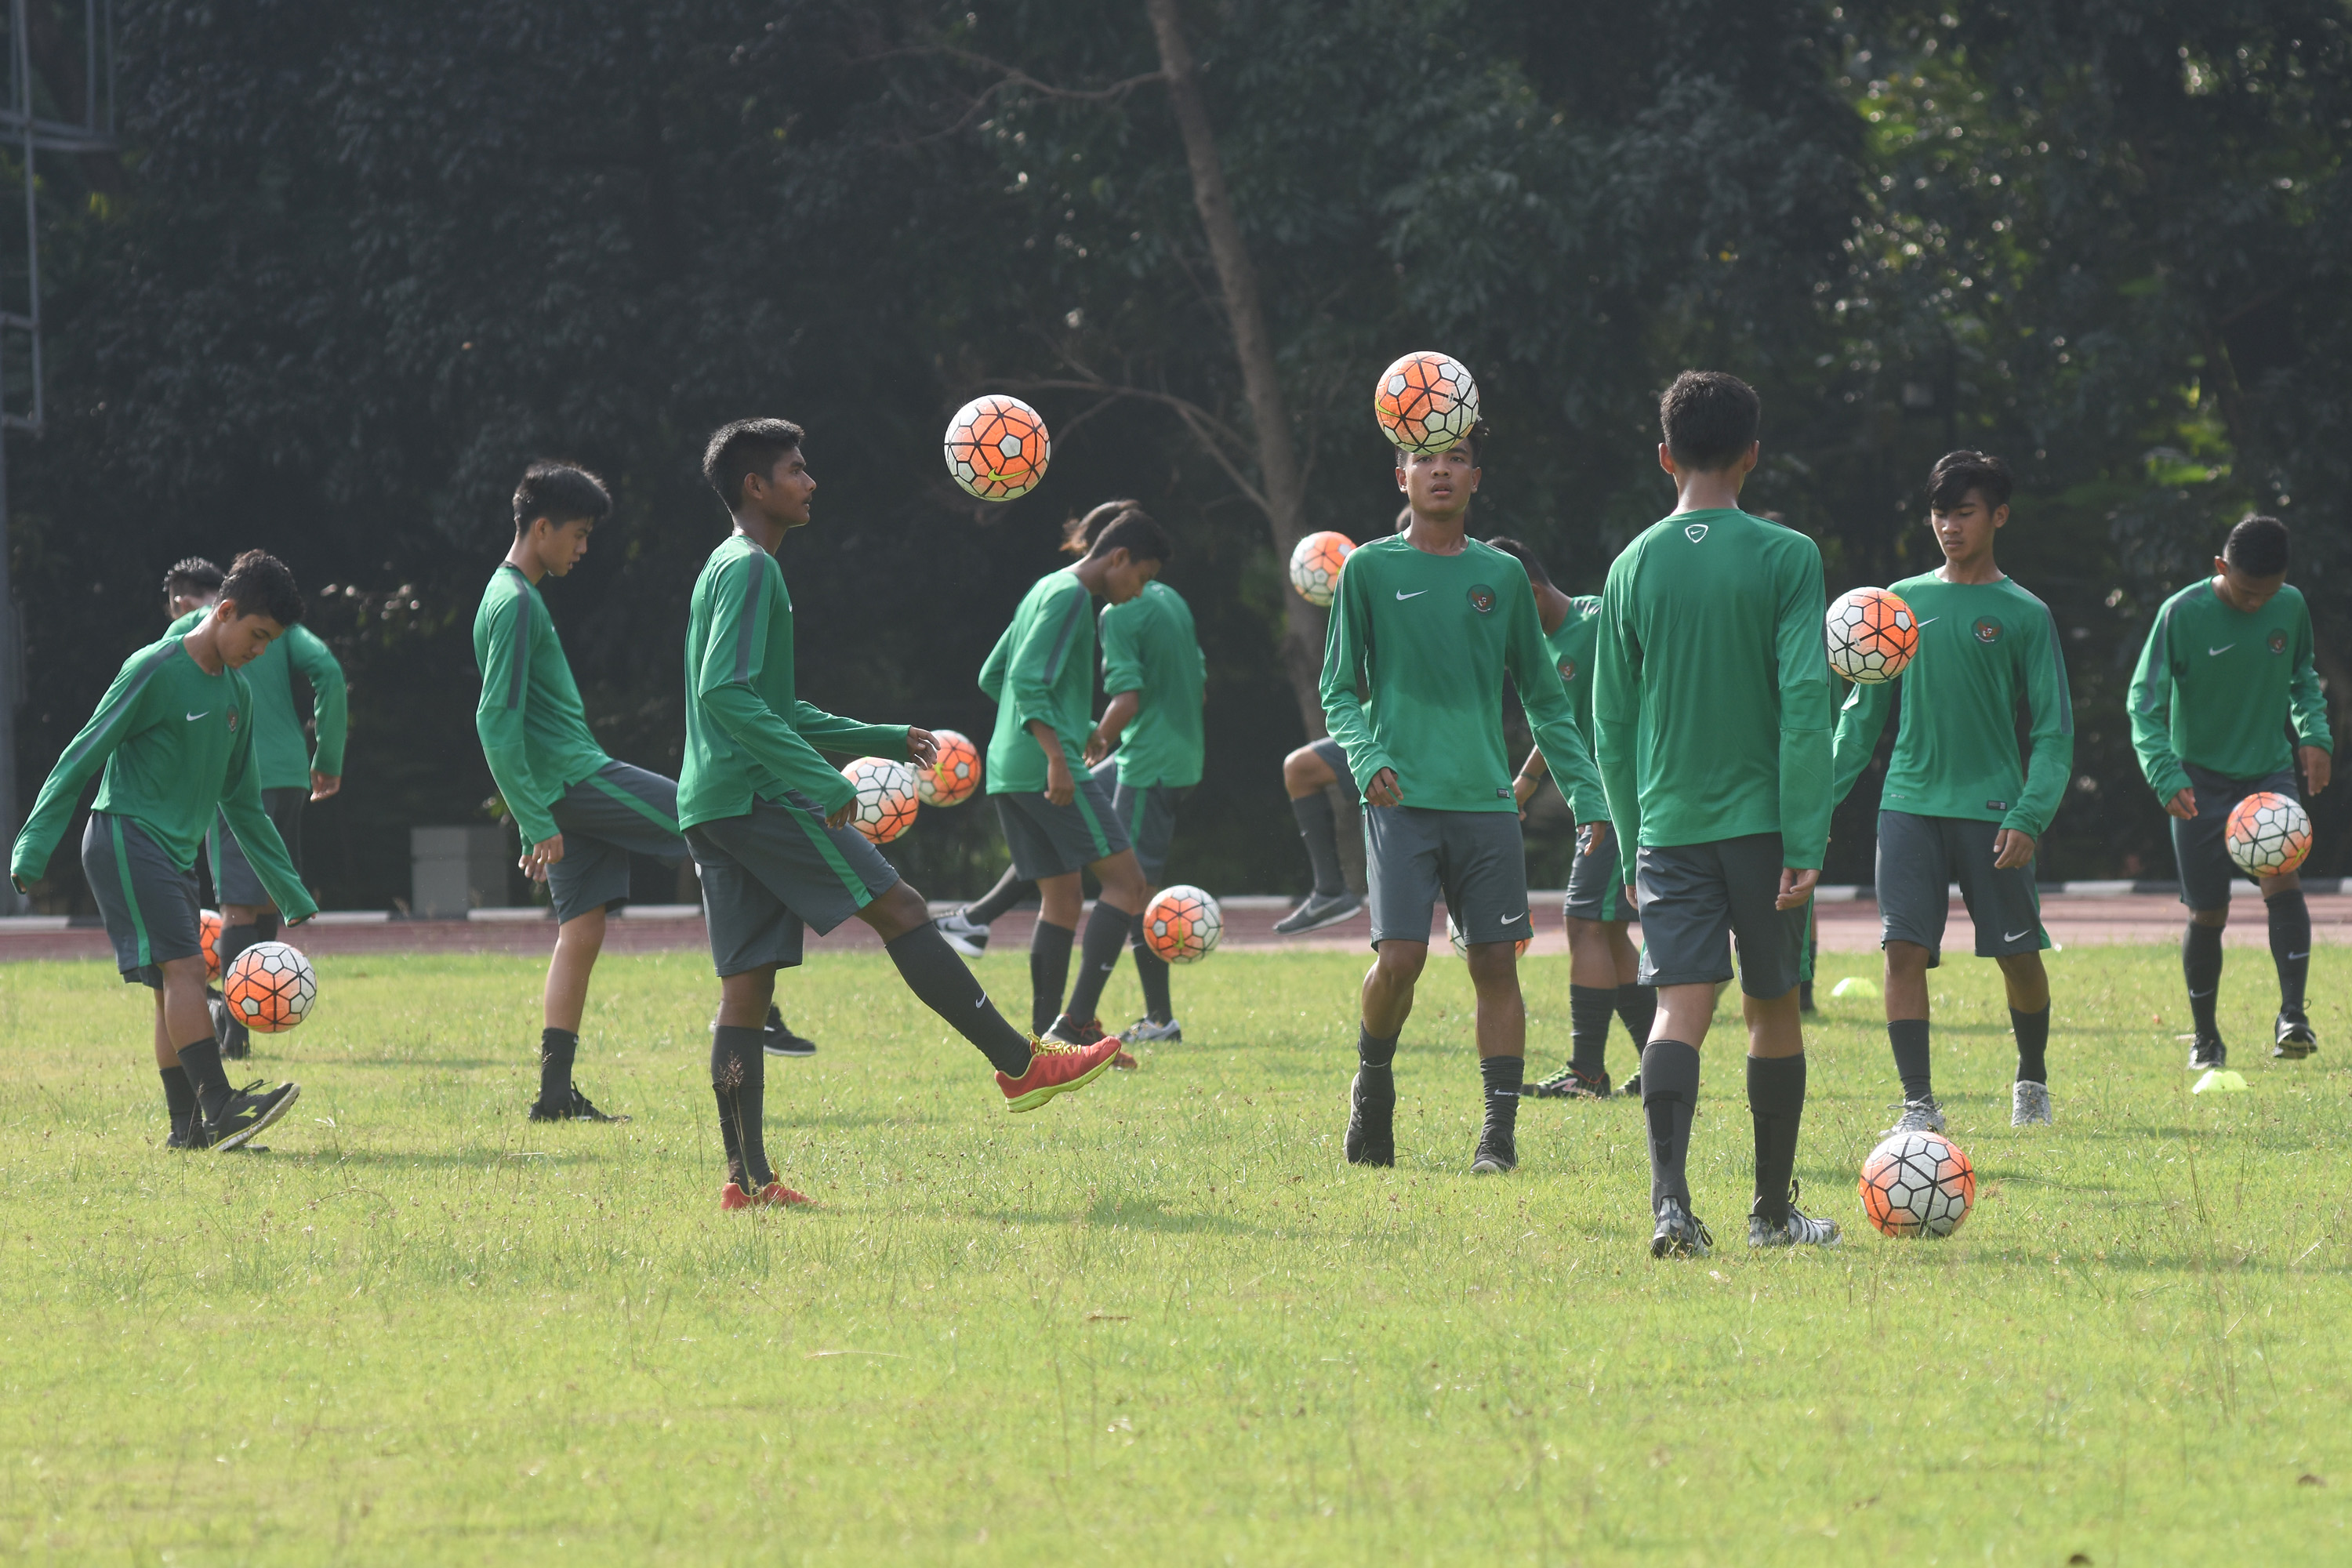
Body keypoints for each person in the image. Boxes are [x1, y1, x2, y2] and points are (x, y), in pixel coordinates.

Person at [681, 419, 1118, 1208]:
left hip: (712, 799)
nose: (811, 481)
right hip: (759, 793)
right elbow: (728, 694)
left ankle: (746, 1180)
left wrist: (876, 736)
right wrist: (822, 777)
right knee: (904, 907)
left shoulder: (726, 566)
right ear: (756, 485)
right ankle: (1021, 1064)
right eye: (796, 469)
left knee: (745, 992)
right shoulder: (752, 570)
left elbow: (771, 701)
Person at [1592, 370, 1839, 1257]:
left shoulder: (1631, 565)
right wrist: (1807, 834)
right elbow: (1805, 701)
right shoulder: (1787, 555)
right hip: (1765, 828)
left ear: (1665, 457)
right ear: (1753, 456)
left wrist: (1630, 837)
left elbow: (1609, 727)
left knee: (1676, 1011)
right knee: (1772, 1009)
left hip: (1665, 826)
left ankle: (1670, 1207)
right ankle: (1772, 1216)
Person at [1324, 423, 1600, 1176]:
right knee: (1402, 959)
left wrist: (1588, 795)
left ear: (1477, 478)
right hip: (1400, 801)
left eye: (1455, 459)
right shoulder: (1368, 572)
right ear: (1400, 475)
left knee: (1495, 965)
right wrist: (1366, 753)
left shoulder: (1502, 578)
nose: (1439, 471)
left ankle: (1497, 1137)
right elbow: (1338, 689)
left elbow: (1547, 699)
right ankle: (1372, 1085)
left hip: (1485, 804)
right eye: (1424, 459)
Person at [11, 550, 312, 1151]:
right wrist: (33, 846)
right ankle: (221, 1106)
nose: (259, 651)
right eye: (255, 635)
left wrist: (290, 892)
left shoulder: (237, 698)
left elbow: (243, 804)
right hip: (126, 835)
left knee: (168, 987)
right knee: (182, 971)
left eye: (269, 643)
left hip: (174, 853)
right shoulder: (154, 668)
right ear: (224, 611)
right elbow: (84, 752)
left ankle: (189, 1129)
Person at [1829, 451, 2073, 1131]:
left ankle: (2032, 1078)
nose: (1950, 526)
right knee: (1903, 949)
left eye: (1963, 513)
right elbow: (1859, 720)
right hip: (1908, 803)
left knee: (2018, 957)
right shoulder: (1899, 603)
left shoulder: (2025, 613)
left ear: (1997, 515)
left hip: (1995, 811)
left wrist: (2031, 813)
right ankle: (1918, 1104)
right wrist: (1813, 803)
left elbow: (2054, 733)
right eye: (1940, 513)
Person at [934, 504, 1208, 1047]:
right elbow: (1031, 684)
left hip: (1009, 768)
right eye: (1141, 577)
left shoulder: (1045, 588)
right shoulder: (1073, 600)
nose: (1137, 591)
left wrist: (1077, 726)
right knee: (1128, 885)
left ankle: (1041, 1040)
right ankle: (1077, 1023)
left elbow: (997, 677)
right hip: (1045, 767)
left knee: (1060, 898)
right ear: (1119, 556)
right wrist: (1060, 756)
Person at [2128, 513, 2332, 1069]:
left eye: (2266, 594)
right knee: (2208, 913)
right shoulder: (2181, 614)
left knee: (2282, 880)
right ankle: (2206, 1039)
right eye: (2246, 592)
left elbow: (2303, 679)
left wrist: (2315, 736)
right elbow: (2143, 704)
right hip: (2198, 782)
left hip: (2268, 774)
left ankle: (2294, 1017)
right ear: (2221, 568)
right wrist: (2164, 774)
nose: (2255, 604)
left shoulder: (2288, 605)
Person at [1486, 536, 1657, 1102]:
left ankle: (1587, 1073)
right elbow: (1558, 716)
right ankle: (1660, 1059)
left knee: (1583, 922)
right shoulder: (1542, 641)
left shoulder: (1599, 620)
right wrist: (1529, 779)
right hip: (1598, 801)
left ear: (1530, 592)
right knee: (1605, 931)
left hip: (1623, 799)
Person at [162, 558, 347, 1061]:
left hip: (234, 778)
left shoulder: (192, 631)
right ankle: (255, 1011)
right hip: (289, 772)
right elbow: (328, 671)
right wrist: (327, 756)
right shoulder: (283, 631)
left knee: (236, 907)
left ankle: (235, 1028)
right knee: (266, 900)